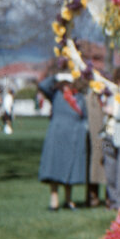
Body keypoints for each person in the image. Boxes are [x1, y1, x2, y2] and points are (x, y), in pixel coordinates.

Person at [37, 72, 89, 211]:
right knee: (54, 168)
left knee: (70, 169)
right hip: (57, 136)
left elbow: (84, 117)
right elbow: (43, 85)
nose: (68, 85)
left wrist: (83, 132)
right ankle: (54, 201)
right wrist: (55, 76)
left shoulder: (79, 97)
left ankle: (68, 200)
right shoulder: (56, 94)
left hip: (74, 136)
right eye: (65, 82)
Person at [103, 67, 120, 209]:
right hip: (108, 135)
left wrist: (115, 112)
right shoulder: (112, 93)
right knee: (110, 171)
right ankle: (113, 199)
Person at [86, 89, 107, 207]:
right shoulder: (89, 96)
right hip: (94, 130)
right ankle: (93, 195)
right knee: (95, 159)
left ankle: (110, 196)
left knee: (110, 159)